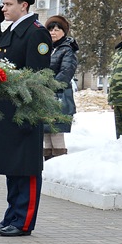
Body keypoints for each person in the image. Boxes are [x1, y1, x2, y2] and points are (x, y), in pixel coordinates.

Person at [0, 0, 51, 236]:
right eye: (3, 3)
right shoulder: (14, 30)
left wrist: (28, 109)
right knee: (13, 167)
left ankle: (23, 222)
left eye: (8, 4)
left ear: (24, 5)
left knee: (27, 168)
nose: (4, 8)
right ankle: (11, 216)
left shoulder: (36, 33)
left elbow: (37, 76)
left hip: (25, 109)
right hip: (8, 108)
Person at [43, 15, 78, 159]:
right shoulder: (47, 48)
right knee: (46, 130)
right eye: (50, 29)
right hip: (45, 94)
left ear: (64, 31)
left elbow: (66, 72)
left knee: (56, 130)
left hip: (59, 94)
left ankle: (58, 161)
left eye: (57, 29)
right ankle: (47, 161)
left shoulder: (67, 49)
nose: (53, 32)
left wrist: (49, 87)